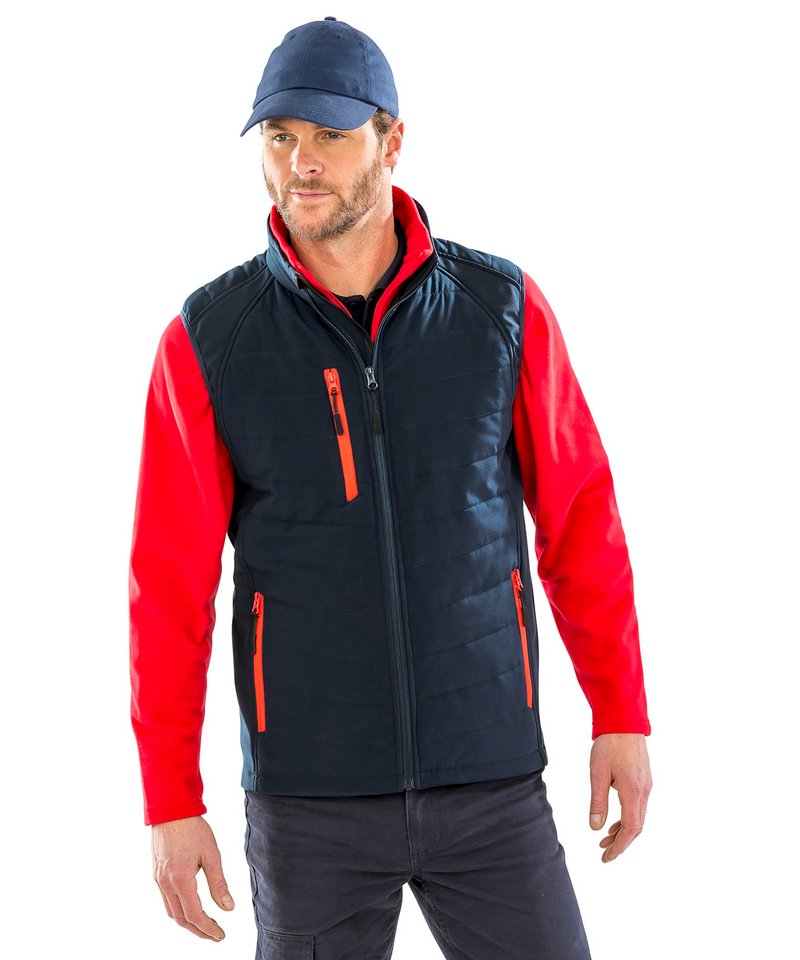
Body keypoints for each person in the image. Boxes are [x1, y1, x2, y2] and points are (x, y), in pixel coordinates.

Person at [129, 16, 652, 959]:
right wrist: (171, 800)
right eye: (280, 137)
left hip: (489, 783)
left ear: (392, 140)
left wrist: (619, 711)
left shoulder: (501, 311)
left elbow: (581, 518)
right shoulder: (209, 340)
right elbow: (167, 587)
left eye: (330, 135)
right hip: (308, 805)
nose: (301, 163)